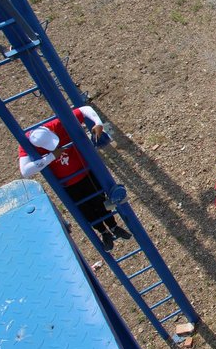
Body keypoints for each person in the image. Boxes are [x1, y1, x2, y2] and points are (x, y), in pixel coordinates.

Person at [18, 106, 131, 251]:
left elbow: (84, 109)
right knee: (86, 210)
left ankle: (113, 226)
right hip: (67, 184)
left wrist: (98, 123)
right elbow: (25, 171)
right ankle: (103, 232)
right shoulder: (26, 144)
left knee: (100, 201)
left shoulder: (56, 124)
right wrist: (51, 157)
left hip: (85, 173)